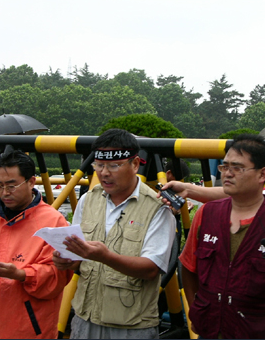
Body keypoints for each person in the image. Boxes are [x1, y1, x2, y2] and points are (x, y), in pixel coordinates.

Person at [178, 134, 265, 339]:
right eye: (224, 167)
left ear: (262, 174)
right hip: (210, 331)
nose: (228, 174)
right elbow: (189, 267)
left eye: (237, 168)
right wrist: (196, 313)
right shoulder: (207, 213)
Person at [52, 128, 176, 339]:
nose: (104, 173)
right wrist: (66, 260)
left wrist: (105, 257)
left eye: (114, 166)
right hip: (84, 318)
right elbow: (80, 260)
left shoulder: (158, 207)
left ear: (135, 164)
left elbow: (151, 269)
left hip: (132, 326)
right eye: (99, 165)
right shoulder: (87, 200)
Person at [0, 148, 72, 339]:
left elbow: (57, 276)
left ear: (31, 182)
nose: (5, 193)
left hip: (27, 329)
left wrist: (21, 274)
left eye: (12, 186)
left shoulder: (53, 222)